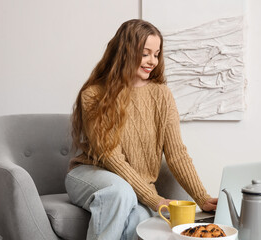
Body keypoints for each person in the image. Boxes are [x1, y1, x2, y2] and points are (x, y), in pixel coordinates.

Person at [65, 19, 218, 240]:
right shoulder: (94, 94)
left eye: (156, 54)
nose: (152, 61)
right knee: (121, 193)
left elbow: (176, 154)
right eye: (145, 53)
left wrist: (201, 197)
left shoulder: (162, 95)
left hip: (133, 187)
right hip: (89, 176)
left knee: (138, 217)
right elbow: (111, 157)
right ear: (125, 51)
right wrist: (153, 198)